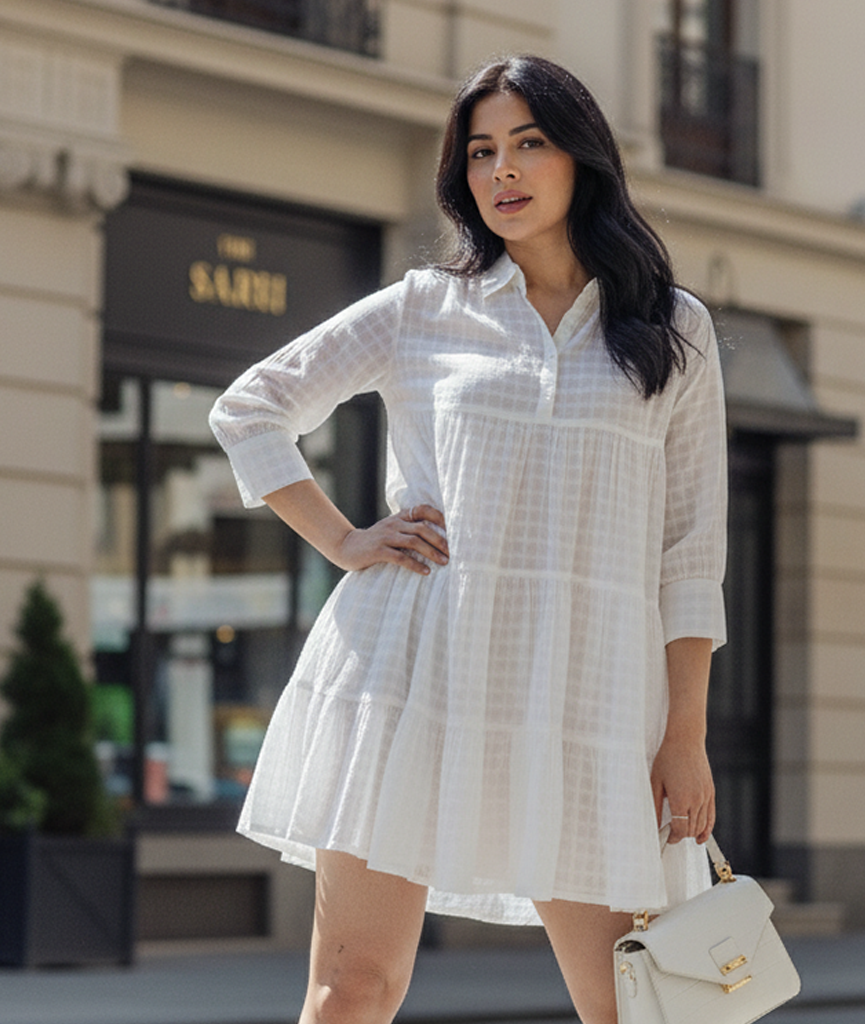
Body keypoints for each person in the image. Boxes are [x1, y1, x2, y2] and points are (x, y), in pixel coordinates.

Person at [209, 54, 727, 1024]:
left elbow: (689, 552)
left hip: (589, 703)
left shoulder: (671, 332)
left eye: (529, 143)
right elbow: (252, 408)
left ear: (582, 160)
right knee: (350, 990)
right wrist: (347, 539)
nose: (503, 171)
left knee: (638, 1005)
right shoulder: (422, 310)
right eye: (482, 151)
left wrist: (684, 737)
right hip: (415, 681)